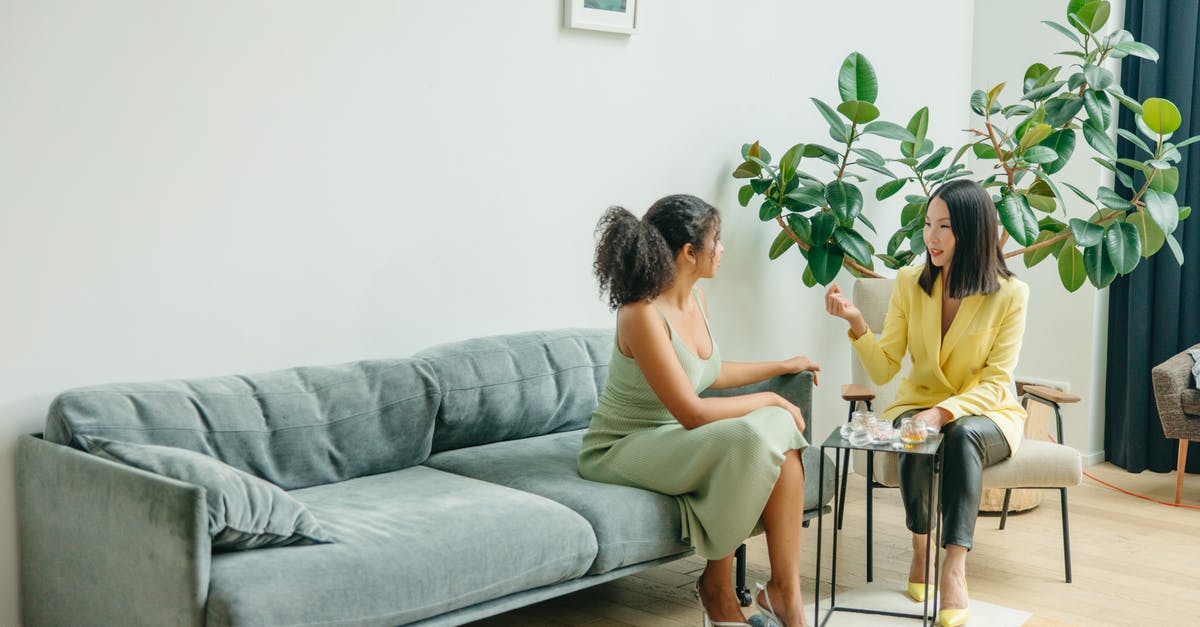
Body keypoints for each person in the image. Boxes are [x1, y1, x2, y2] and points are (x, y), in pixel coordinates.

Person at [579, 194, 820, 627]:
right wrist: (771, 397)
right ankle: (717, 588)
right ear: (690, 252)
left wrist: (781, 366)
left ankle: (785, 592)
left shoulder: (697, 301)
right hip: (622, 446)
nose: (723, 249)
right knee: (752, 434)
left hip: (674, 436)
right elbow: (692, 412)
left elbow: (706, 373)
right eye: (717, 240)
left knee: (777, 433)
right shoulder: (640, 314)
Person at [824, 179, 1029, 627]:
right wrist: (858, 323)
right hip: (918, 405)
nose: (931, 238)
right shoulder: (908, 283)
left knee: (959, 434)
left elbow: (997, 381)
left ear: (973, 232)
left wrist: (943, 412)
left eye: (945, 227)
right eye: (928, 225)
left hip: (987, 413)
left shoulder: (1011, 295)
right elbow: (884, 369)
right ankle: (921, 548)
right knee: (916, 431)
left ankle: (953, 567)